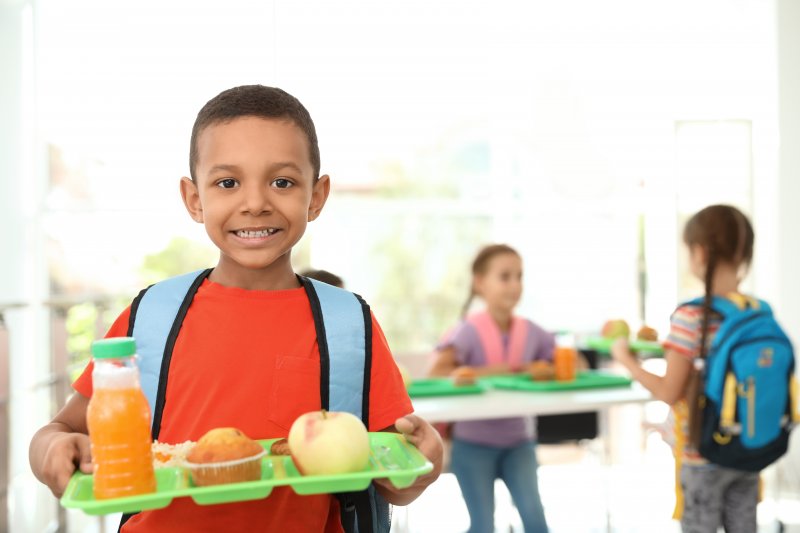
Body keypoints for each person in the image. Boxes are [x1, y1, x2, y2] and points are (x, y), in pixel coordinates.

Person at [29, 85, 443, 532]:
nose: (255, 203)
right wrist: (51, 448)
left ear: (317, 196)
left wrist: (424, 464)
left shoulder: (348, 325)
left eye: (282, 182)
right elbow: (61, 429)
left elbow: (391, 478)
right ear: (194, 199)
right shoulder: (151, 316)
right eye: (228, 182)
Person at [611, 204, 758, 533]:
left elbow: (668, 390)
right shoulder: (756, 314)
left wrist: (627, 360)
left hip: (701, 454)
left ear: (699, 252)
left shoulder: (690, 317)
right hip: (749, 450)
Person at [429, 244, 551, 533]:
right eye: (505, 276)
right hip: (473, 446)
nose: (515, 285)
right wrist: (513, 369)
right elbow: (437, 373)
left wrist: (548, 369)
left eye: (519, 276)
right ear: (480, 283)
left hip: (519, 442)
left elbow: (575, 363)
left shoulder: (532, 330)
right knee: (482, 526)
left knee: (536, 523)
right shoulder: (467, 330)